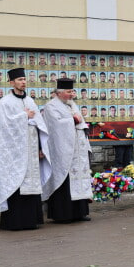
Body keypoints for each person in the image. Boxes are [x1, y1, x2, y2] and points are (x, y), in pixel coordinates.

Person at [0, 68, 51, 230]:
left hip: (31, 149)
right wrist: (24, 117)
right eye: (19, 80)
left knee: (31, 184)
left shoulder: (30, 101)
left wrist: (40, 147)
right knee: (17, 183)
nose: (23, 82)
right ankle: (15, 222)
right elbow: (5, 126)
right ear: (11, 82)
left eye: (24, 79)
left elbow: (39, 124)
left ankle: (31, 220)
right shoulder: (5, 102)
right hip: (14, 152)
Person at [40, 79, 92, 223]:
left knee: (78, 180)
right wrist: (73, 120)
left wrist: (78, 121)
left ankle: (79, 212)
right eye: (69, 92)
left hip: (77, 150)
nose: (72, 94)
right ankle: (63, 215)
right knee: (64, 181)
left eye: (72, 91)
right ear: (59, 93)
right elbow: (56, 126)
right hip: (62, 150)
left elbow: (80, 120)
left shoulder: (71, 104)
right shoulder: (51, 107)